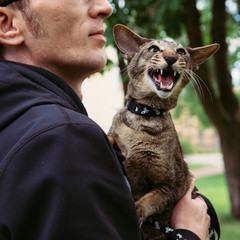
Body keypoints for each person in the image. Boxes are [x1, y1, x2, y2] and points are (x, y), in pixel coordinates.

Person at [0, 0, 210, 239]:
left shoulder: (14, 121)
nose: (106, 6)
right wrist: (189, 234)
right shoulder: (63, 135)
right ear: (8, 24)